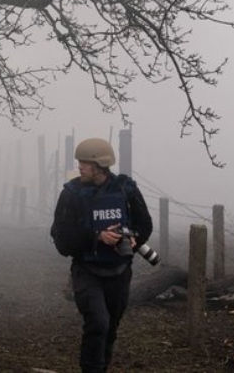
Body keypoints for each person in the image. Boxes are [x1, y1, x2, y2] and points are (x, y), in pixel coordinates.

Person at [50, 137, 154, 373]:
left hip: (119, 271)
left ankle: (101, 367)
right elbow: (62, 240)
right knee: (98, 323)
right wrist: (96, 236)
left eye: (84, 163)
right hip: (87, 271)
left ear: (98, 165)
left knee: (111, 328)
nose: (79, 167)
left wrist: (135, 238)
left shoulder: (126, 190)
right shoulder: (71, 194)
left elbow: (145, 224)